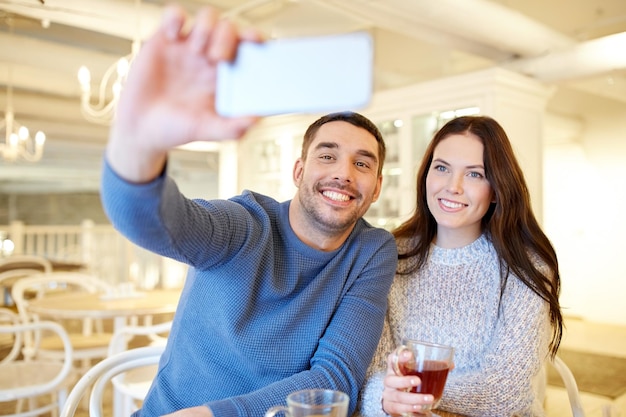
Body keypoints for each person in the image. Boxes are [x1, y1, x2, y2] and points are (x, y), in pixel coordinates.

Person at [99, 5, 398, 417]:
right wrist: (139, 142)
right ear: (298, 171)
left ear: (377, 187)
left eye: (362, 164)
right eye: (327, 156)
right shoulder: (245, 224)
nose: (344, 174)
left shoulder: (372, 250)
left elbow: (336, 380)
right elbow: (151, 222)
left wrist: (216, 415)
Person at [357, 116, 563, 417]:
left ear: (497, 187)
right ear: (426, 175)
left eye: (475, 174)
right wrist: (385, 399)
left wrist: (410, 393)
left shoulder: (526, 267)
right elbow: (373, 376)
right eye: (441, 168)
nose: (452, 186)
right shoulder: (389, 255)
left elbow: (505, 392)